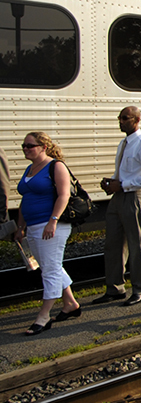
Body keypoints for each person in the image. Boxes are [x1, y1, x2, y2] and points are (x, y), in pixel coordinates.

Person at [16, 132, 81, 335]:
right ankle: (70, 303)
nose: (26, 149)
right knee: (50, 266)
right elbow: (24, 200)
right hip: (33, 226)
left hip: (51, 225)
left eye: (30, 146)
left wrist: (52, 221)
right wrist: (20, 226)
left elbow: (64, 195)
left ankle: (43, 316)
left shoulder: (56, 166)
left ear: (43, 147)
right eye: (23, 146)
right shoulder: (30, 169)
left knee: (50, 270)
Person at [95, 106, 141, 306]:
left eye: (125, 118)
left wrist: (122, 184)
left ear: (136, 120)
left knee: (136, 243)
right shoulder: (123, 143)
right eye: (119, 118)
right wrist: (112, 182)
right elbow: (126, 172)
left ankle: (140, 289)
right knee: (113, 244)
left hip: (134, 197)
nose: (120, 121)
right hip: (119, 197)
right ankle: (114, 288)